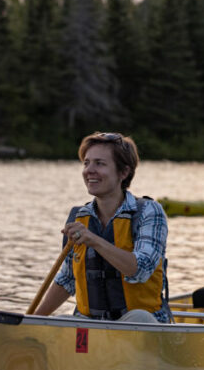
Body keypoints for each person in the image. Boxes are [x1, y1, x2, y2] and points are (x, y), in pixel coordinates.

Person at [34, 132, 172, 324]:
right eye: (86, 163)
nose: (89, 170)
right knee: (59, 323)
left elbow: (140, 269)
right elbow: (67, 280)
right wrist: (31, 321)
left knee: (139, 318)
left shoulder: (149, 212)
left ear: (123, 172)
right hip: (93, 326)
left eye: (99, 163)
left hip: (140, 325)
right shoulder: (79, 217)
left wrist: (94, 240)